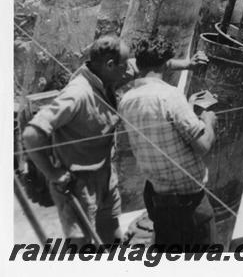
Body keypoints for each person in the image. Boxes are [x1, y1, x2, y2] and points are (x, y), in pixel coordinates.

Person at [22, 36, 134, 246]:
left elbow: (143, 66)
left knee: (111, 234)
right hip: (77, 184)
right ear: (110, 65)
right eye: (124, 65)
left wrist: (186, 65)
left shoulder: (106, 76)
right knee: (82, 248)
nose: (127, 70)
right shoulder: (78, 94)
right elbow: (31, 135)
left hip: (104, 174)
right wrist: (53, 173)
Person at [118, 36, 217, 248]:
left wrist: (187, 108)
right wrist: (207, 121)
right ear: (165, 64)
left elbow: (163, 130)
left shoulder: (126, 101)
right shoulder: (170, 96)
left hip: (159, 202)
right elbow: (203, 146)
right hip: (190, 204)